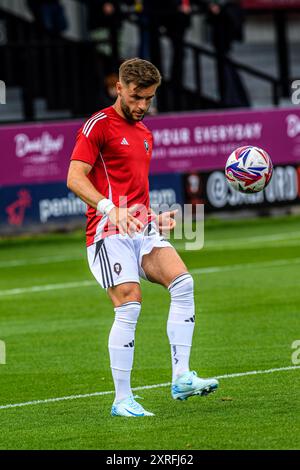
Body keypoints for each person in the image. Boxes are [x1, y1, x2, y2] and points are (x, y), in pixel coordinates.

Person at [67, 58, 219, 417]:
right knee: (130, 305)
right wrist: (110, 209)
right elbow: (75, 177)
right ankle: (122, 400)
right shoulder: (98, 125)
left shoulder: (145, 133)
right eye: (136, 97)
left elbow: (132, 190)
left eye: (148, 99)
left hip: (140, 228)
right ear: (118, 88)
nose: (141, 106)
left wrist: (151, 216)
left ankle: (181, 377)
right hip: (106, 233)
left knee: (183, 283)